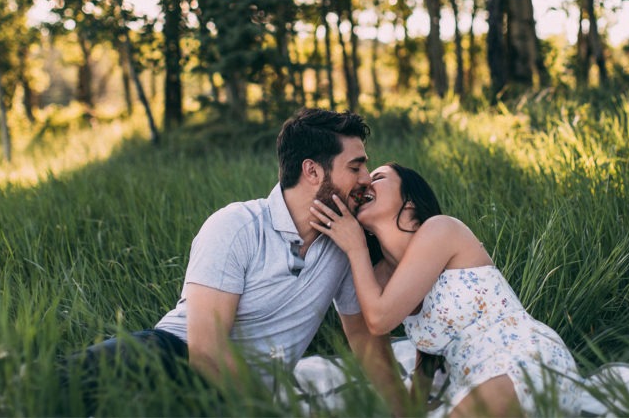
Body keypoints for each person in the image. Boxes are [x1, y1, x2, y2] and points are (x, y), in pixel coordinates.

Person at [69, 108, 405, 412]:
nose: (366, 178)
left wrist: (405, 410)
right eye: (356, 166)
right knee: (45, 392)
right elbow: (205, 352)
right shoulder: (236, 226)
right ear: (312, 171)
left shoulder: (344, 244)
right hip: (166, 360)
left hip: (226, 400)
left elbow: (364, 338)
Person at [311, 163, 589, 417]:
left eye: (378, 177)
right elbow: (425, 345)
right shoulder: (382, 274)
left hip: (523, 357)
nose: (365, 185)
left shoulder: (440, 230)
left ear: (409, 201)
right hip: (472, 379)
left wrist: (356, 247)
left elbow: (379, 319)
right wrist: (411, 408)